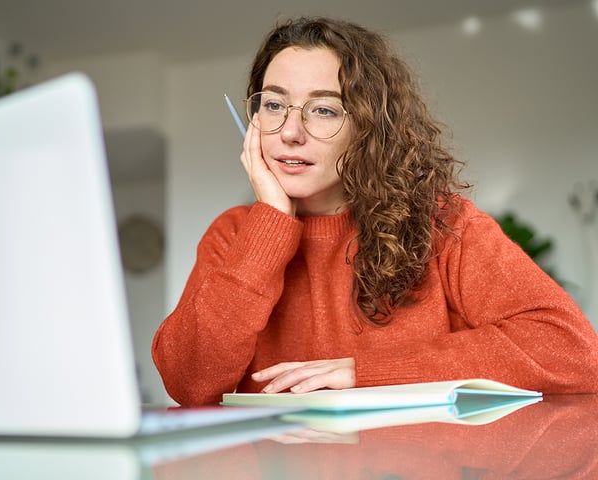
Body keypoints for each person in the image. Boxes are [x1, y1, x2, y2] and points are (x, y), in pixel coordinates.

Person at [152, 16, 598, 406]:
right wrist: (271, 220)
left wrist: (364, 373)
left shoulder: (443, 224)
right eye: (273, 104)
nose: (289, 131)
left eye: (323, 109)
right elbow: (189, 382)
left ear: (368, 128)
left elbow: (572, 351)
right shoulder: (233, 234)